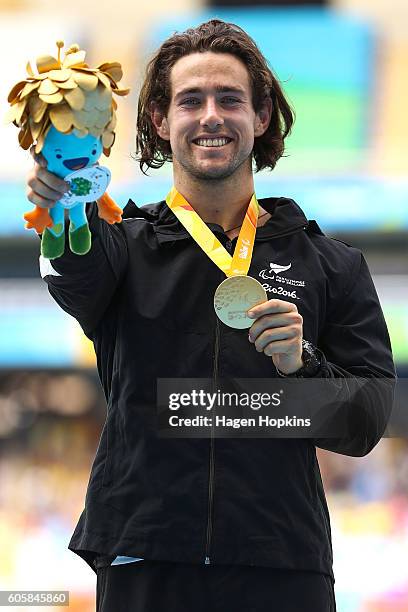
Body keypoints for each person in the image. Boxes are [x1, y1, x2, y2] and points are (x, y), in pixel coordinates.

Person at [26, 19, 396, 612]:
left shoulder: (331, 263)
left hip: (280, 559)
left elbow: (368, 419)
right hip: (145, 552)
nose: (211, 116)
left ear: (262, 116)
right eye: (189, 101)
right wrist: (68, 206)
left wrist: (301, 368)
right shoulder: (125, 246)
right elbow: (76, 278)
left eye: (231, 99)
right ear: (159, 121)